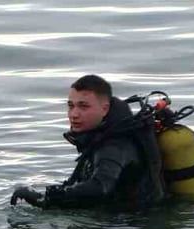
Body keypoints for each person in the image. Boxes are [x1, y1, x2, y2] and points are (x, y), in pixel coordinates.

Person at [10, 74, 165, 210]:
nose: (74, 114)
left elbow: (100, 187)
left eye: (83, 106)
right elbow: (78, 184)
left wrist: (44, 198)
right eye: (71, 106)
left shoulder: (115, 145)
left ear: (105, 109)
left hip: (130, 226)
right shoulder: (100, 136)